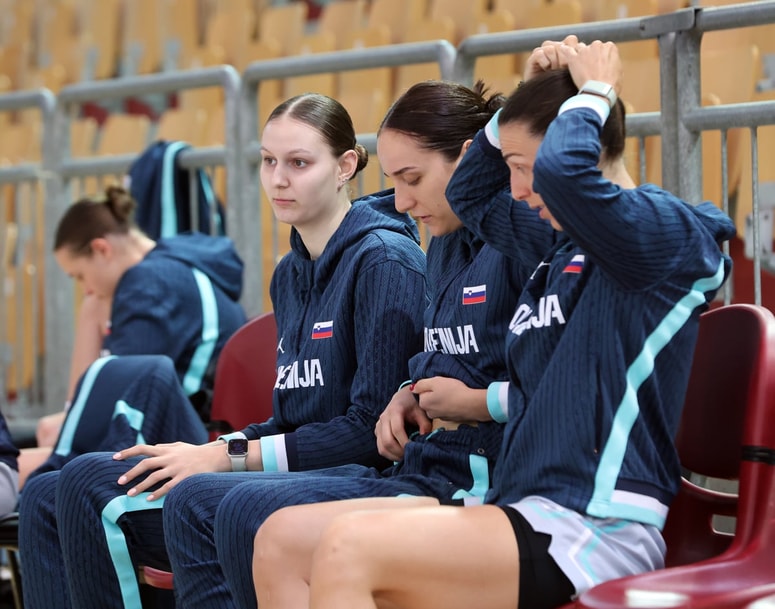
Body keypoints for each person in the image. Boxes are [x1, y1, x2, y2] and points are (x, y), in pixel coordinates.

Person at [251, 39, 737, 609]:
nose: (519, 190)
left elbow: (566, 177)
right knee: (281, 540)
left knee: (348, 550)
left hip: (594, 526)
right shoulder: (558, 250)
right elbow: (469, 189)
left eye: (527, 170)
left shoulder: (665, 237)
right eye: (513, 169)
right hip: (523, 507)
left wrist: (599, 90)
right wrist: (518, 101)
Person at [152, 79, 555, 608]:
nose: (403, 202)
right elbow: (445, 362)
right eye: (267, 161)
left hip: (480, 484)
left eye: (298, 162)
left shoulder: (413, 256)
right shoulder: (438, 247)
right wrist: (410, 388)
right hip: (425, 468)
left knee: (229, 508)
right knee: (179, 498)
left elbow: (554, 386)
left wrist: (474, 403)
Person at [18, 92, 428, 609]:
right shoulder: (290, 272)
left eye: (299, 163)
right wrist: (208, 451)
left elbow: (368, 434)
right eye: (268, 161)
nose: (278, 179)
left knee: (102, 493)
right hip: (292, 465)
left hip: (360, 476)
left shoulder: (385, 261)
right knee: (49, 492)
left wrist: (225, 455)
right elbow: (289, 419)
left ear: (346, 165)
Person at [18, 186, 248, 484]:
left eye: (79, 275)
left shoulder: (148, 284)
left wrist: (91, 311)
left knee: (31, 462)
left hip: (192, 440)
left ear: (102, 249)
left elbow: (115, 406)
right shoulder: (177, 264)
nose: (85, 288)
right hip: (209, 425)